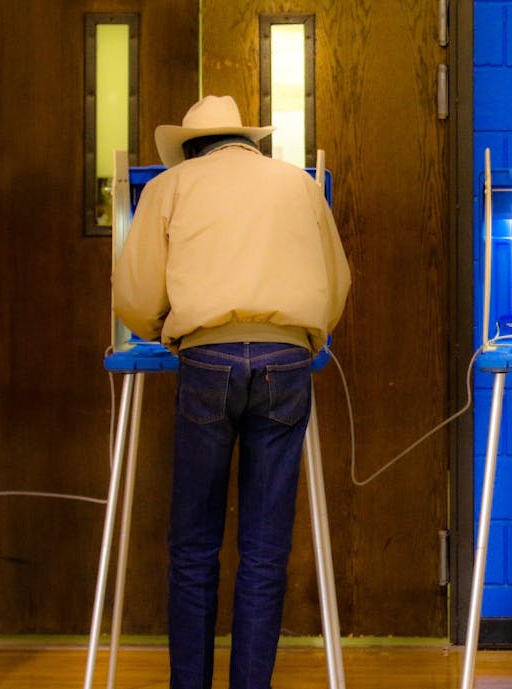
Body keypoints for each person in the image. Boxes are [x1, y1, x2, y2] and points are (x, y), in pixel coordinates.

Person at [112, 94, 351, 689]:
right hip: (287, 361)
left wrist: (164, 329)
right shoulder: (299, 184)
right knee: (265, 549)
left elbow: (136, 294)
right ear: (249, 141)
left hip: (207, 360)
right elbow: (337, 282)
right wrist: (304, 334)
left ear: (189, 148)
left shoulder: (169, 187)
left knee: (194, 546)